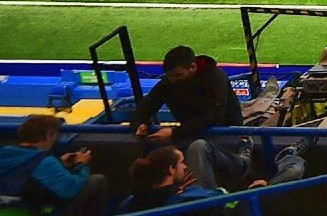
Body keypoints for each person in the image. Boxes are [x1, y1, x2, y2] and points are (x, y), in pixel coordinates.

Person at [130, 46, 242, 190]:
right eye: (170, 76)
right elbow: (144, 109)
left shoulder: (215, 78)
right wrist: (140, 124)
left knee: (197, 148)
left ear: (193, 67)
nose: (173, 80)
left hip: (224, 135)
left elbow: (214, 116)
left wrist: (175, 133)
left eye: (178, 75)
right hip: (191, 135)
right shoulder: (169, 82)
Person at [0, 114, 106, 216]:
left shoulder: (4, 153)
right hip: (27, 209)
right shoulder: (44, 161)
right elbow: (70, 189)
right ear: (49, 134)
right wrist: (81, 164)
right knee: (96, 181)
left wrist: (59, 163)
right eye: (55, 136)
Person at [118, 146, 226, 212]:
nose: (185, 167)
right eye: (181, 162)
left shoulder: (129, 203)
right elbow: (225, 199)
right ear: (171, 169)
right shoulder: (190, 200)